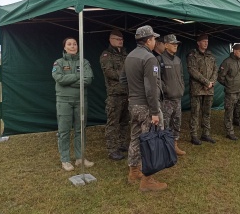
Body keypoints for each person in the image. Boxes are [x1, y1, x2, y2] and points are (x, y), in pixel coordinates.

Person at [121, 25, 167, 192]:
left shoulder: (129, 56)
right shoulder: (149, 58)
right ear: (148, 40)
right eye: (154, 38)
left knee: (135, 138)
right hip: (147, 107)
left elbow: (123, 80)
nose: (155, 41)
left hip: (133, 104)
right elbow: (151, 88)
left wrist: (130, 95)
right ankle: (148, 180)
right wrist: (155, 111)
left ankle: (133, 172)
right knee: (151, 142)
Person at [52, 37, 94, 171]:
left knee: (80, 130)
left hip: (81, 100)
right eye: (69, 44)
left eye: (75, 44)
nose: (72, 46)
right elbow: (59, 79)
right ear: (64, 47)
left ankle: (80, 158)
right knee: (64, 131)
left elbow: (88, 80)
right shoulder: (58, 63)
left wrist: (68, 80)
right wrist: (77, 76)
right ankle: (65, 160)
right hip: (64, 101)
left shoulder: (84, 62)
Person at [100, 29, 130, 161]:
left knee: (125, 121)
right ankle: (112, 149)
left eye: (121, 39)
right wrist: (126, 76)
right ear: (110, 40)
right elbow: (109, 73)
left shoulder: (125, 55)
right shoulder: (106, 55)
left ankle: (123, 144)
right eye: (118, 39)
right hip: (115, 94)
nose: (120, 41)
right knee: (113, 123)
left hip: (127, 93)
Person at [218, 44, 240, 140]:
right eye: (239, 51)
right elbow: (220, 77)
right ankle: (229, 132)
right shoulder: (227, 62)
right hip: (231, 92)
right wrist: (229, 85)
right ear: (234, 51)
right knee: (229, 113)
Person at [187, 34, 218, 145]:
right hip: (197, 89)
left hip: (209, 89)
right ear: (198, 42)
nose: (206, 43)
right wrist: (206, 82)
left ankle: (206, 134)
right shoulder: (192, 55)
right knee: (195, 113)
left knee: (207, 113)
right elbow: (192, 70)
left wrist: (211, 83)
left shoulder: (211, 56)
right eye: (204, 41)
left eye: (207, 41)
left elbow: (215, 70)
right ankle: (194, 135)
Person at [157, 34, 186, 155]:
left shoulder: (178, 60)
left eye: (176, 44)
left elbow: (182, 77)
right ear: (166, 45)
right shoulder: (159, 60)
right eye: (173, 44)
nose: (175, 46)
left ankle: (174, 146)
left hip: (177, 98)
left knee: (177, 123)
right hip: (167, 100)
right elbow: (157, 79)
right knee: (165, 124)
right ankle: (164, 148)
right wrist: (166, 89)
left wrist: (181, 88)